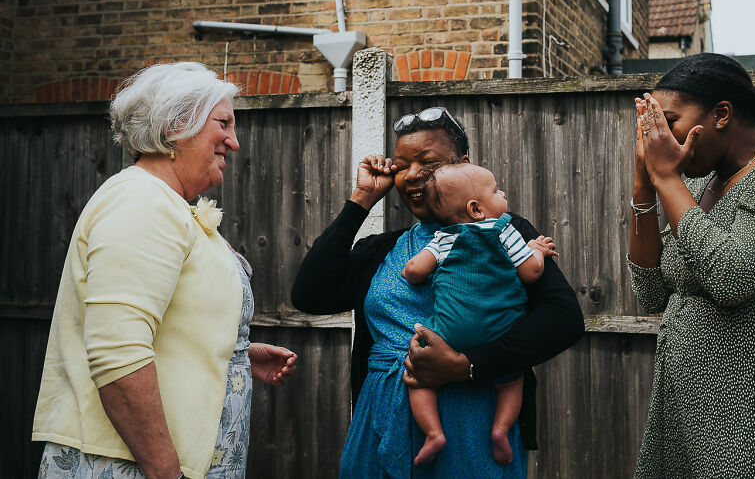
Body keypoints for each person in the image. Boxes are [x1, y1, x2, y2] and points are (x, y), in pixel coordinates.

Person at [33, 62, 298, 479]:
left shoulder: (167, 203)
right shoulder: (141, 201)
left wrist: (236, 355)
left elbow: (167, 321)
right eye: (224, 123)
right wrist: (163, 471)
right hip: (129, 465)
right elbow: (117, 350)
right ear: (177, 124)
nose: (235, 141)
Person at [291, 106, 583, 478]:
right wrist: (361, 200)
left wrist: (469, 366)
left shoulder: (502, 234)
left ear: (461, 164)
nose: (412, 176)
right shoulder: (384, 249)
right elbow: (309, 295)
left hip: (474, 419)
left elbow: (563, 318)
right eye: (401, 165)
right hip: (379, 418)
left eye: (427, 164)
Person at [627, 53, 755, 477]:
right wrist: (644, 185)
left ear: (721, 114)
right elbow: (649, 291)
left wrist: (666, 179)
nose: (660, 135)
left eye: (671, 120)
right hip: (686, 405)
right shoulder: (702, 182)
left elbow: (732, 276)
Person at [401, 163, 559, 466]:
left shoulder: (445, 237)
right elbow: (532, 272)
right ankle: (500, 430)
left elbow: (414, 271)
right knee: (513, 380)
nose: (503, 193)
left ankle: (433, 433)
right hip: (499, 331)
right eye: (496, 190)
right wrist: (535, 248)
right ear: (475, 209)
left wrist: (412, 267)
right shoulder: (504, 229)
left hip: (449, 332)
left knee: (418, 379)